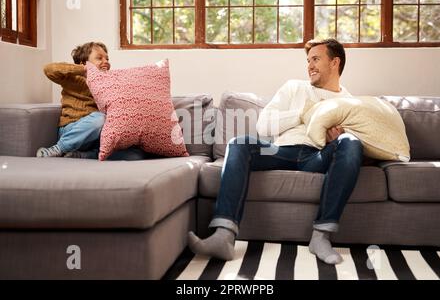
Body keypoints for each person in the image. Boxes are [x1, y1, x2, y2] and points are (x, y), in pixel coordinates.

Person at [188, 38, 363, 265]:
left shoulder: (349, 102)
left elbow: (351, 150)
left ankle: (321, 237)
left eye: (316, 59)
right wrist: (300, 114)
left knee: (351, 142)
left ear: (334, 62)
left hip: (317, 157)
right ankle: (223, 236)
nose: (309, 65)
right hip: (282, 151)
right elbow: (264, 125)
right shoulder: (294, 87)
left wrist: (337, 139)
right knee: (239, 143)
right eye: (308, 60)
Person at [37, 42, 145, 160]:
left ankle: (84, 155)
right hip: (73, 130)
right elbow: (49, 69)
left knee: (136, 154)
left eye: (107, 58)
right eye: (99, 58)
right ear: (84, 62)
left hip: (96, 135)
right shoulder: (74, 78)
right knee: (99, 119)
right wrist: (83, 69)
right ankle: (59, 148)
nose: (106, 61)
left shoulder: (109, 83)